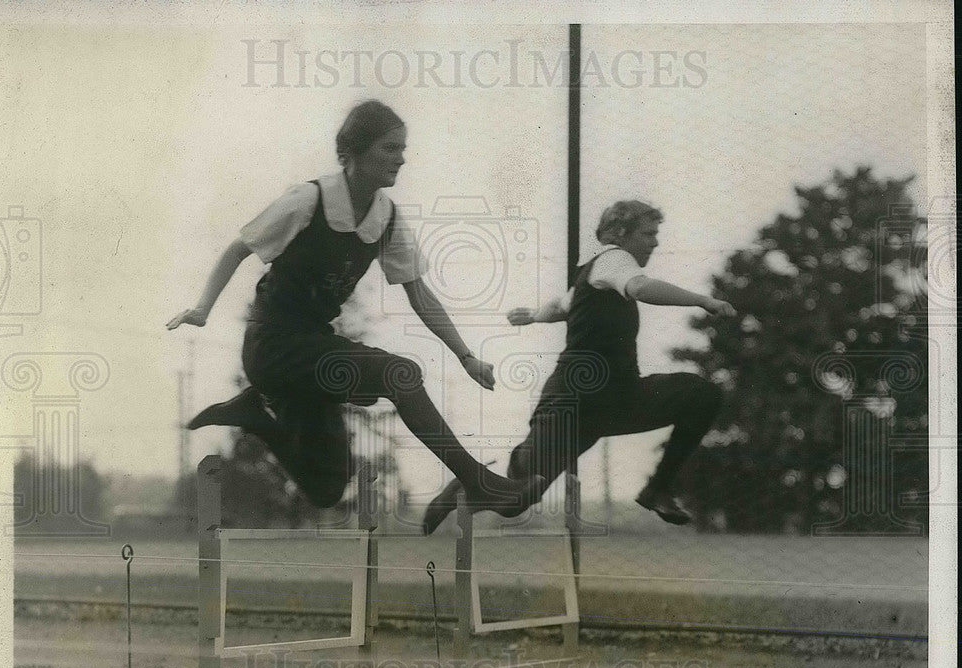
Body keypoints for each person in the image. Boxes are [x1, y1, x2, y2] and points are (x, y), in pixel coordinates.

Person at [167, 100, 541, 516]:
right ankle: (479, 485)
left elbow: (420, 294)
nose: (401, 159)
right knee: (401, 374)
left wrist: (466, 356)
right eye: (390, 148)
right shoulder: (309, 199)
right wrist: (201, 309)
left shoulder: (387, 218)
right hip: (273, 347)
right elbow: (238, 249)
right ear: (352, 154)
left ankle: (256, 418)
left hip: (314, 350)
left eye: (403, 149)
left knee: (327, 487)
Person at [422, 199, 736, 535]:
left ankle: (657, 489)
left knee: (702, 395)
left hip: (619, 397)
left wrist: (534, 316)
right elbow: (641, 287)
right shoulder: (614, 259)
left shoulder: (599, 273)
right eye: (648, 234)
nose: (655, 242)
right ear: (620, 233)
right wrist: (703, 301)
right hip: (573, 403)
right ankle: (465, 484)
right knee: (516, 499)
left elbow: (561, 305)